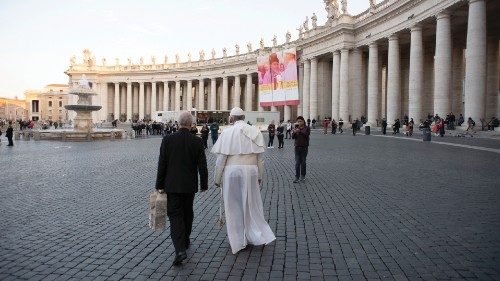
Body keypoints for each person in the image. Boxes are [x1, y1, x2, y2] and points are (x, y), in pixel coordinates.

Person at [211, 107, 276, 254]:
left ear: (231, 119)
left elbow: (221, 159)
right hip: (252, 170)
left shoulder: (227, 132)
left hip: (232, 171)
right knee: (252, 203)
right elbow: (260, 159)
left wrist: (217, 178)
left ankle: (238, 240)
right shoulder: (255, 131)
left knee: (233, 205)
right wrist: (260, 176)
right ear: (243, 117)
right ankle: (257, 234)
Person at [155, 111, 208, 266]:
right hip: (189, 186)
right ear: (191, 125)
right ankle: (185, 240)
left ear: (178, 123)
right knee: (187, 212)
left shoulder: (167, 140)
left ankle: (179, 250)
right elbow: (202, 166)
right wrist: (203, 184)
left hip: (171, 185)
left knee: (175, 216)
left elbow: (162, 164)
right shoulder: (197, 142)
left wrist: (159, 185)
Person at [292, 116, 310, 183]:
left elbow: (306, 135)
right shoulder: (296, 128)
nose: (299, 123)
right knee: (297, 163)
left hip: (304, 147)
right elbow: (293, 137)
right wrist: (294, 132)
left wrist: (300, 131)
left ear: (303, 121)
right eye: (298, 121)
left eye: (300, 121)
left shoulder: (307, 128)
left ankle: (303, 175)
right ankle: (297, 176)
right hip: (297, 147)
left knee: (303, 162)